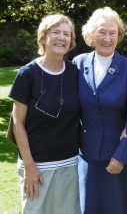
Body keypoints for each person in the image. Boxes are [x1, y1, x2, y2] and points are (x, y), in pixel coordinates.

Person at [9, 14, 80, 214]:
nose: (61, 37)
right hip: (37, 166)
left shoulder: (74, 72)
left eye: (66, 34)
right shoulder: (27, 74)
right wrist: (30, 166)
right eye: (56, 32)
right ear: (43, 38)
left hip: (69, 163)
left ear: (71, 41)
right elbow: (17, 123)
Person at [73, 7, 127, 214]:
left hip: (118, 156)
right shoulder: (78, 63)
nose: (107, 38)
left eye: (112, 33)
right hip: (87, 156)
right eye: (102, 32)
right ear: (91, 35)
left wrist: (121, 155)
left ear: (119, 37)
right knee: (90, 207)